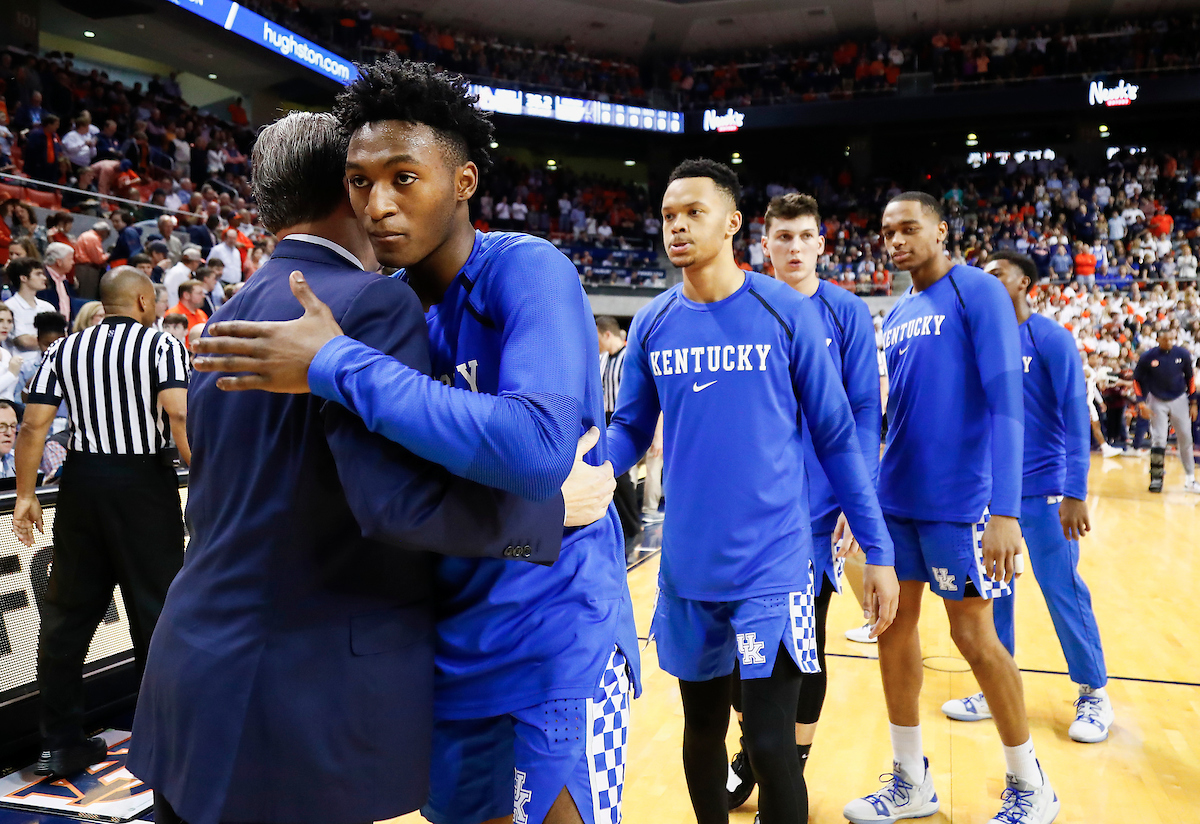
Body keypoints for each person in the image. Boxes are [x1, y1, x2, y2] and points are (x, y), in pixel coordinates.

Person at [192, 60, 639, 824]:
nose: (377, 205)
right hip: (446, 642)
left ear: (463, 182)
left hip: (554, 636)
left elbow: (535, 448)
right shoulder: (385, 309)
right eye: (360, 183)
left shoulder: (526, 269)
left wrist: (335, 365)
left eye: (404, 178)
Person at [601, 160, 897, 824]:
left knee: (768, 740)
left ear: (733, 223)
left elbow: (836, 436)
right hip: (686, 569)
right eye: (669, 216)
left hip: (775, 566)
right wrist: (591, 470)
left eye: (693, 213)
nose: (677, 226)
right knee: (701, 731)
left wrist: (876, 550)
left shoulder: (786, 310)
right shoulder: (653, 323)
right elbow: (630, 426)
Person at [844, 192, 1058, 824]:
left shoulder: (977, 292)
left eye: (909, 227)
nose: (896, 239)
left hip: (960, 507)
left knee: (974, 636)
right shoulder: (902, 309)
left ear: (942, 230)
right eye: (886, 231)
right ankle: (911, 779)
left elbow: (1005, 404)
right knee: (891, 629)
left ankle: (1030, 780)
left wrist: (1006, 511)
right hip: (897, 501)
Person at [725, 192, 885, 813]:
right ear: (764, 245)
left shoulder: (844, 312)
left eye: (804, 236)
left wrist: (856, 492)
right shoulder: (742, 304)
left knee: (800, 645)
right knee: (739, 651)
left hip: (813, 519)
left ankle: (785, 763)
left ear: (822, 243)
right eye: (782, 237)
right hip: (745, 515)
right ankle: (755, 747)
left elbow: (865, 411)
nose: (794, 247)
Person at [13, 267, 190, 778]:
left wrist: (26, 494)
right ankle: (166, 743)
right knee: (158, 619)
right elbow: (178, 417)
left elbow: (32, 425)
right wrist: (202, 473)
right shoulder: (161, 347)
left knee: (66, 620)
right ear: (140, 300)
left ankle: (60, 745)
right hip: (143, 486)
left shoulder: (64, 349)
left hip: (82, 485)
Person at [934, 250, 1114, 742]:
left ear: (1025, 284)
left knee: (1063, 592)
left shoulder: (1052, 339)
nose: (987, 281)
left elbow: (1078, 420)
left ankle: (1093, 692)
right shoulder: (979, 342)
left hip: (1047, 493)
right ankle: (999, 688)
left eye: (998, 274)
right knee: (997, 597)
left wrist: (1076, 491)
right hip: (992, 498)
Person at [1133, 329, 1198, 492]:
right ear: (1158, 339)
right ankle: (1156, 478)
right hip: (1156, 400)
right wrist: (1141, 403)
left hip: (1179, 399)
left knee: (1185, 437)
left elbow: (1190, 378)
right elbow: (1136, 380)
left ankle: (1190, 479)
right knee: (1158, 439)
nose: (1169, 342)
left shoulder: (1182, 354)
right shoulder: (1148, 357)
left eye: (1171, 339)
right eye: (1165, 339)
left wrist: (1194, 402)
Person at [597, 315, 640, 553]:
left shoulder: (628, 358)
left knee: (621, 475)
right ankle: (621, 526)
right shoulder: (603, 360)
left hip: (623, 417)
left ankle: (633, 526)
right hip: (604, 418)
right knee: (609, 474)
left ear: (607, 334)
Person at [4, 257, 56, 350]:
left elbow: (60, 337)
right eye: (38, 274)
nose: (44, 278)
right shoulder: (10, 307)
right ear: (23, 278)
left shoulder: (47, 307)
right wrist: (49, 340)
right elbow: (24, 341)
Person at [72, 220, 111, 299]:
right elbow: (98, 259)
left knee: (82, 292)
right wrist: (108, 255)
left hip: (82, 268)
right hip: (87, 269)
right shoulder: (93, 238)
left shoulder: (86, 235)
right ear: (104, 232)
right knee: (87, 294)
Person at [40, 242, 78, 321]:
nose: (73, 262)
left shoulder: (64, 280)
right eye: (70, 259)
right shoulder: (43, 279)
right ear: (59, 262)